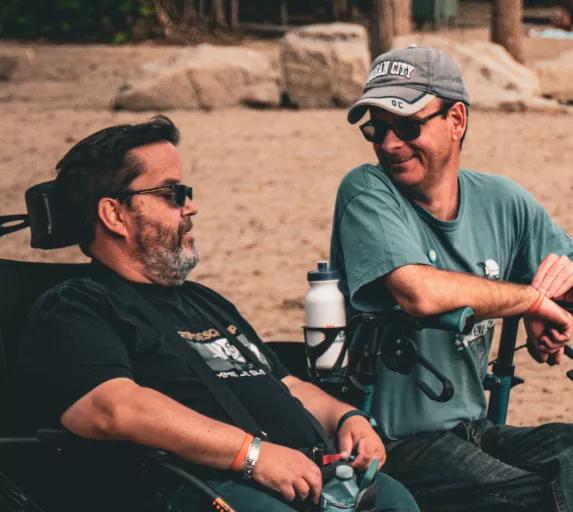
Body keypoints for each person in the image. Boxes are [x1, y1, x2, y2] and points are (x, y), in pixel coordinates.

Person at [13, 116, 419, 512]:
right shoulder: (75, 306)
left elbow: (287, 384)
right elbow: (111, 408)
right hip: (205, 487)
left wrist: (346, 417)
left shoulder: (204, 301)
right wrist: (253, 455)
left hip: (316, 477)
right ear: (114, 215)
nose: (190, 207)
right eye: (172, 193)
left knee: (397, 499)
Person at [329, 45, 573, 511]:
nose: (388, 144)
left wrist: (560, 291)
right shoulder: (366, 191)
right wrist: (530, 301)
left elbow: (562, 272)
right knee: (533, 496)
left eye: (406, 125)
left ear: (456, 120)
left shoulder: (502, 201)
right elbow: (419, 292)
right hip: (391, 443)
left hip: (473, 431)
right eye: (375, 129)